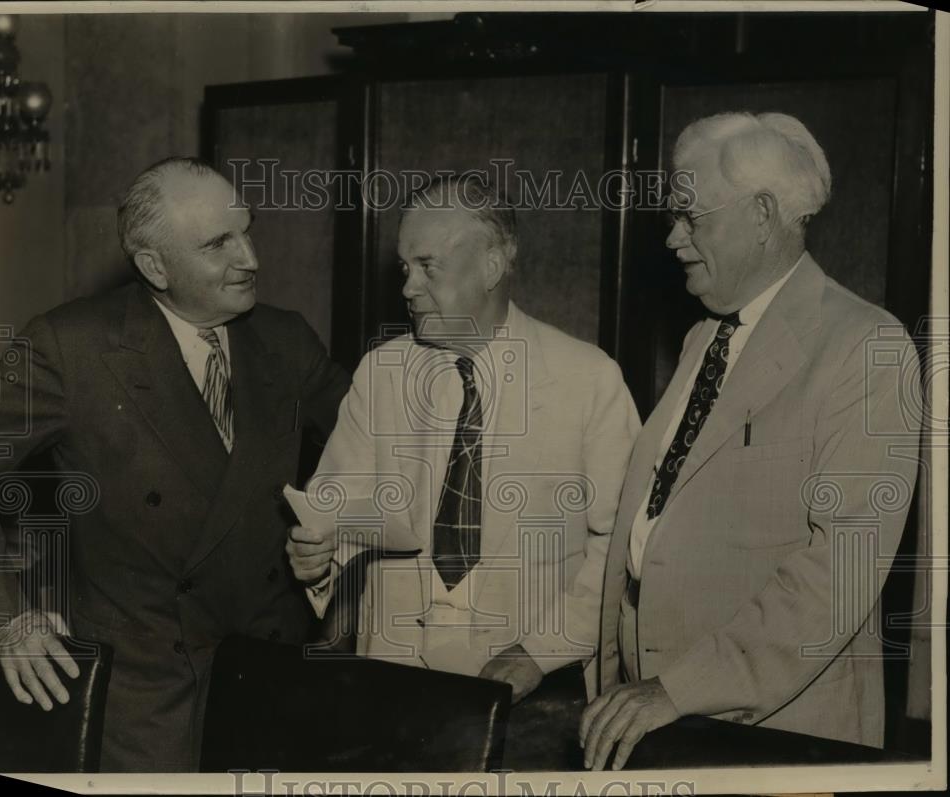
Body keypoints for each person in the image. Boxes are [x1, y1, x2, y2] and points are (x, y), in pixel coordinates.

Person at [0, 157, 350, 771]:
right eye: (218, 244)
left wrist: (338, 523)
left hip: (268, 674)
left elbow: (373, 452)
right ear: (155, 266)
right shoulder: (73, 346)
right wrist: (3, 614)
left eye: (247, 230)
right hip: (144, 698)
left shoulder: (286, 340)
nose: (252, 258)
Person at [581, 112, 921, 769]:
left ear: (763, 214)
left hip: (774, 737)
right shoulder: (705, 336)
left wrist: (676, 689)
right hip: (654, 719)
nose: (675, 238)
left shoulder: (866, 346)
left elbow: (838, 573)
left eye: (692, 217)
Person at [287, 175, 640, 700]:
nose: (407, 287)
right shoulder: (381, 373)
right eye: (405, 268)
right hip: (395, 675)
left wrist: (541, 651)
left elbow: (619, 548)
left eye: (428, 267)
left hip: (533, 684)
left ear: (491, 266)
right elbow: (336, 508)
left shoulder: (589, 378)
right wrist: (319, 556)